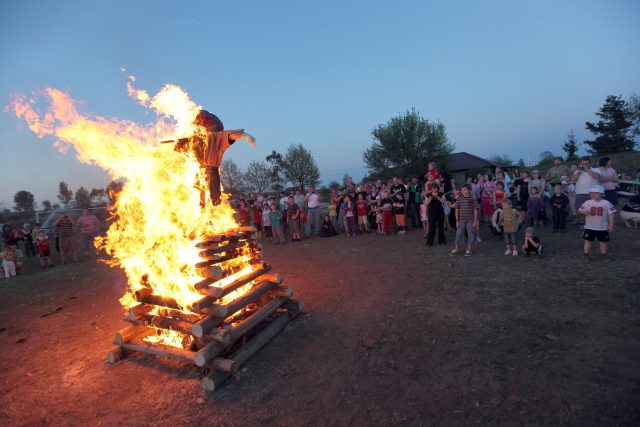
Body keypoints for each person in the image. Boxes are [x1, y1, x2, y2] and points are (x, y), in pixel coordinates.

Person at [171, 110, 256, 206]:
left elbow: (231, 135)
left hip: (211, 166)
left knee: (211, 176)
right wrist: (179, 143)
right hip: (202, 165)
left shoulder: (214, 137)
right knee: (200, 179)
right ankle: (202, 202)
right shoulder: (195, 140)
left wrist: (246, 136)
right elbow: (183, 145)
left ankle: (215, 199)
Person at [579, 185, 616, 256]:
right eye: (591, 193)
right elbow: (580, 210)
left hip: (602, 227)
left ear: (601, 194)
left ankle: (603, 254)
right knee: (587, 240)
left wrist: (611, 225)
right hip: (589, 226)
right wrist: (584, 212)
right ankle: (585, 253)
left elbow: (611, 214)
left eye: (595, 193)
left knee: (603, 241)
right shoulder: (587, 202)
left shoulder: (606, 203)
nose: (593, 194)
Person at [450, 184, 479, 256]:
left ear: (469, 190)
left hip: (470, 220)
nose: (463, 191)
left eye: (465, 189)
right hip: (461, 220)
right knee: (458, 234)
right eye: (462, 190)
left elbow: (475, 210)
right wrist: (457, 220)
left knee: (470, 234)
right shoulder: (459, 199)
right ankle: (456, 249)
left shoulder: (472, 199)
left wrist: (475, 221)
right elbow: (456, 209)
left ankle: (469, 250)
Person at [572, 157, 599, 227]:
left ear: (589, 163)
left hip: (593, 193)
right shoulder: (578, 171)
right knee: (581, 209)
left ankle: (593, 224)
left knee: (593, 209)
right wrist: (579, 171)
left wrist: (587, 169)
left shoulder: (595, 169)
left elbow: (596, 176)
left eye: (586, 164)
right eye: (583, 163)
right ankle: (582, 224)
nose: (584, 165)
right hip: (580, 193)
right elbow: (573, 180)